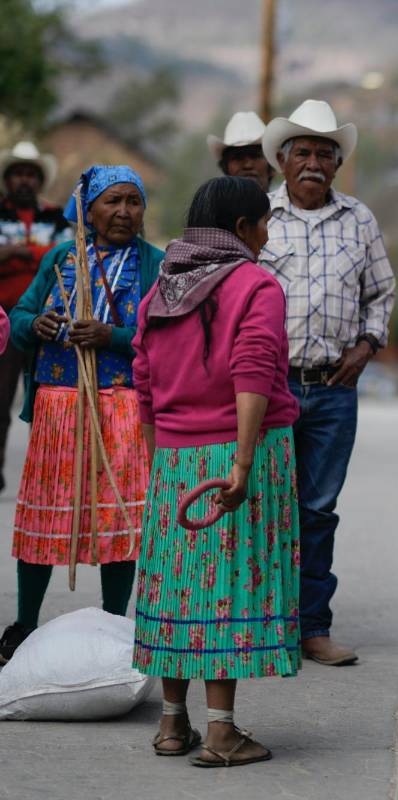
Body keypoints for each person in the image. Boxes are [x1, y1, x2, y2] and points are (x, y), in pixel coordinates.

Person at [131, 176, 300, 767]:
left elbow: (144, 386)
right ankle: (223, 733)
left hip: (175, 460)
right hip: (240, 451)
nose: (267, 234)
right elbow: (252, 371)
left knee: (180, 585)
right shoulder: (256, 283)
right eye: (264, 223)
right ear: (241, 230)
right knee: (226, 587)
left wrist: (161, 466)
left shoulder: (162, 288)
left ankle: (173, 725)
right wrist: (244, 463)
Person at [0, 166, 162, 663]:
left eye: (133, 202)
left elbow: (161, 336)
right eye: (112, 202)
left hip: (123, 406)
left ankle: (115, 621)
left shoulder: (155, 264)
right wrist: (39, 323)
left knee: (118, 514)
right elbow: (18, 319)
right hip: (58, 405)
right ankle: (24, 624)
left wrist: (112, 336)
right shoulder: (60, 259)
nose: (123, 212)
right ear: (88, 211)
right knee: (46, 513)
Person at [259, 99, 395, 666]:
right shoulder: (260, 216)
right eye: (303, 152)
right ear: (283, 161)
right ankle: (263, 622)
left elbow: (381, 294)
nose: (313, 162)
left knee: (317, 509)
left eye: (324, 153)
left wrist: (366, 347)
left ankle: (312, 626)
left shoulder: (359, 218)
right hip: (271, 386)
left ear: (337, 164)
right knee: (268, 505)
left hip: (334, 388)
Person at [0, 142, 71, 492]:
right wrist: (36, 256)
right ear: (8, 180)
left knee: (42, 399)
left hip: (47, 322)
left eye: (31, 175)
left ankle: (41, 477)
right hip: (2, 321)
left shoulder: (56, 216)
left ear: (39, 180)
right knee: (0, 400)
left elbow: (63, 256)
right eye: (18, 175)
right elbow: (51, 256)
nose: (25, 181)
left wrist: (15, 253)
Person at [208, 111, 273, 192]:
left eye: (255, 156)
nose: (247, 165)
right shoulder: (212, 204)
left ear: (272, 164)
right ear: (226, 168)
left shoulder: (287, 204)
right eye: (238, 157)